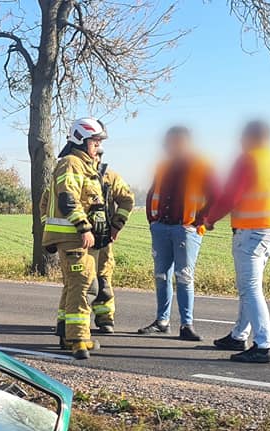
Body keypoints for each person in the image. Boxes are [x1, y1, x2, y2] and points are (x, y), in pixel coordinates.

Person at [203, 120, 270, 364]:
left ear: (251, 137)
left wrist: (209, 219)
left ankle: (263, 345)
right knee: (248, 286)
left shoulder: (248, 159)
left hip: (251, 231)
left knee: (251, 288)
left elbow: (230, 195)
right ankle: (238, 335)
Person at [137, 126, 218, 341]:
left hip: (186, 229)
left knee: (184, 276)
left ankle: (186, 324)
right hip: (161, 227)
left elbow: (215, 195)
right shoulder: (163, 165)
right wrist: (152, 220)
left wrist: (200, 221)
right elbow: (153, 192)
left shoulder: (201, 166)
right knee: (161, 275)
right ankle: (162, 321)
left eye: (175, 141)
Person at [41, 117, 108, 359]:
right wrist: (84, 228)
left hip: (73, 238)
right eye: (95, 141)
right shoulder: (71, 164)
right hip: (74, 238)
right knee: (84, 287)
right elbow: (67, 199)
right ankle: (79, 339)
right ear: (81, 139)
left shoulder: (82, 165)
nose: (98, 146)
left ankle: (65, 333)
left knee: (72, 286)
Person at [91, 162, 134, 333]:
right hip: (76, 238)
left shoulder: (110, 176)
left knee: (102, 278)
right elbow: (49, 203)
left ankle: (105, 317)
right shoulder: (70, 172)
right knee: (77, 280)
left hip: (102, 238)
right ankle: (70, 321)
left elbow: (127, 199)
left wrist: (116, 226)